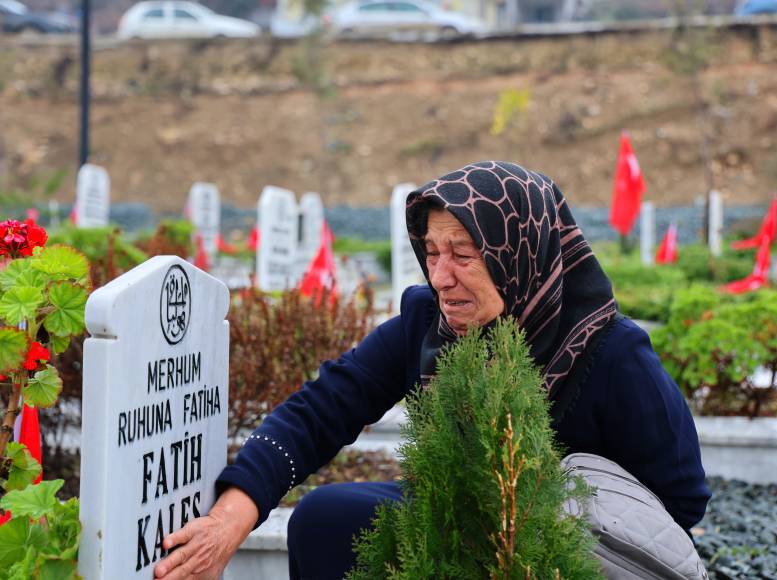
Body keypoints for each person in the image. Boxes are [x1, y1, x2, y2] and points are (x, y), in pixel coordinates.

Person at [154, 161, 711, 580]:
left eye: (463, 255)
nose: (441, 275)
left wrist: (552, 520)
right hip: (458, 526)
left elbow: (681, 500)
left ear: (521, 254)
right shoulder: (429, 324)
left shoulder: (612, 353)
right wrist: (229, 520)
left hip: (567, 553)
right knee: (326, 519)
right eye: (432, 251)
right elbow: (322, 409)